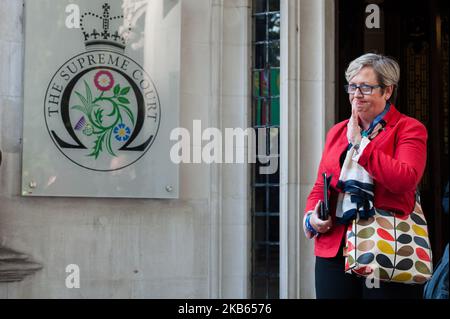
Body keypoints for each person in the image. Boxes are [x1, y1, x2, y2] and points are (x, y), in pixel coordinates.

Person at [303, 53, 428, 299]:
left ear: (387, 91)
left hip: (385, 246)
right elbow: (322, 184)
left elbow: (405, 179)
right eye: (352, 86)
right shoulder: (338, 132)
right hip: (334, 249)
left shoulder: (409, 128)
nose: (356, 94)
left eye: (366, 87)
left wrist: (360, 145)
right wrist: (311, 218)